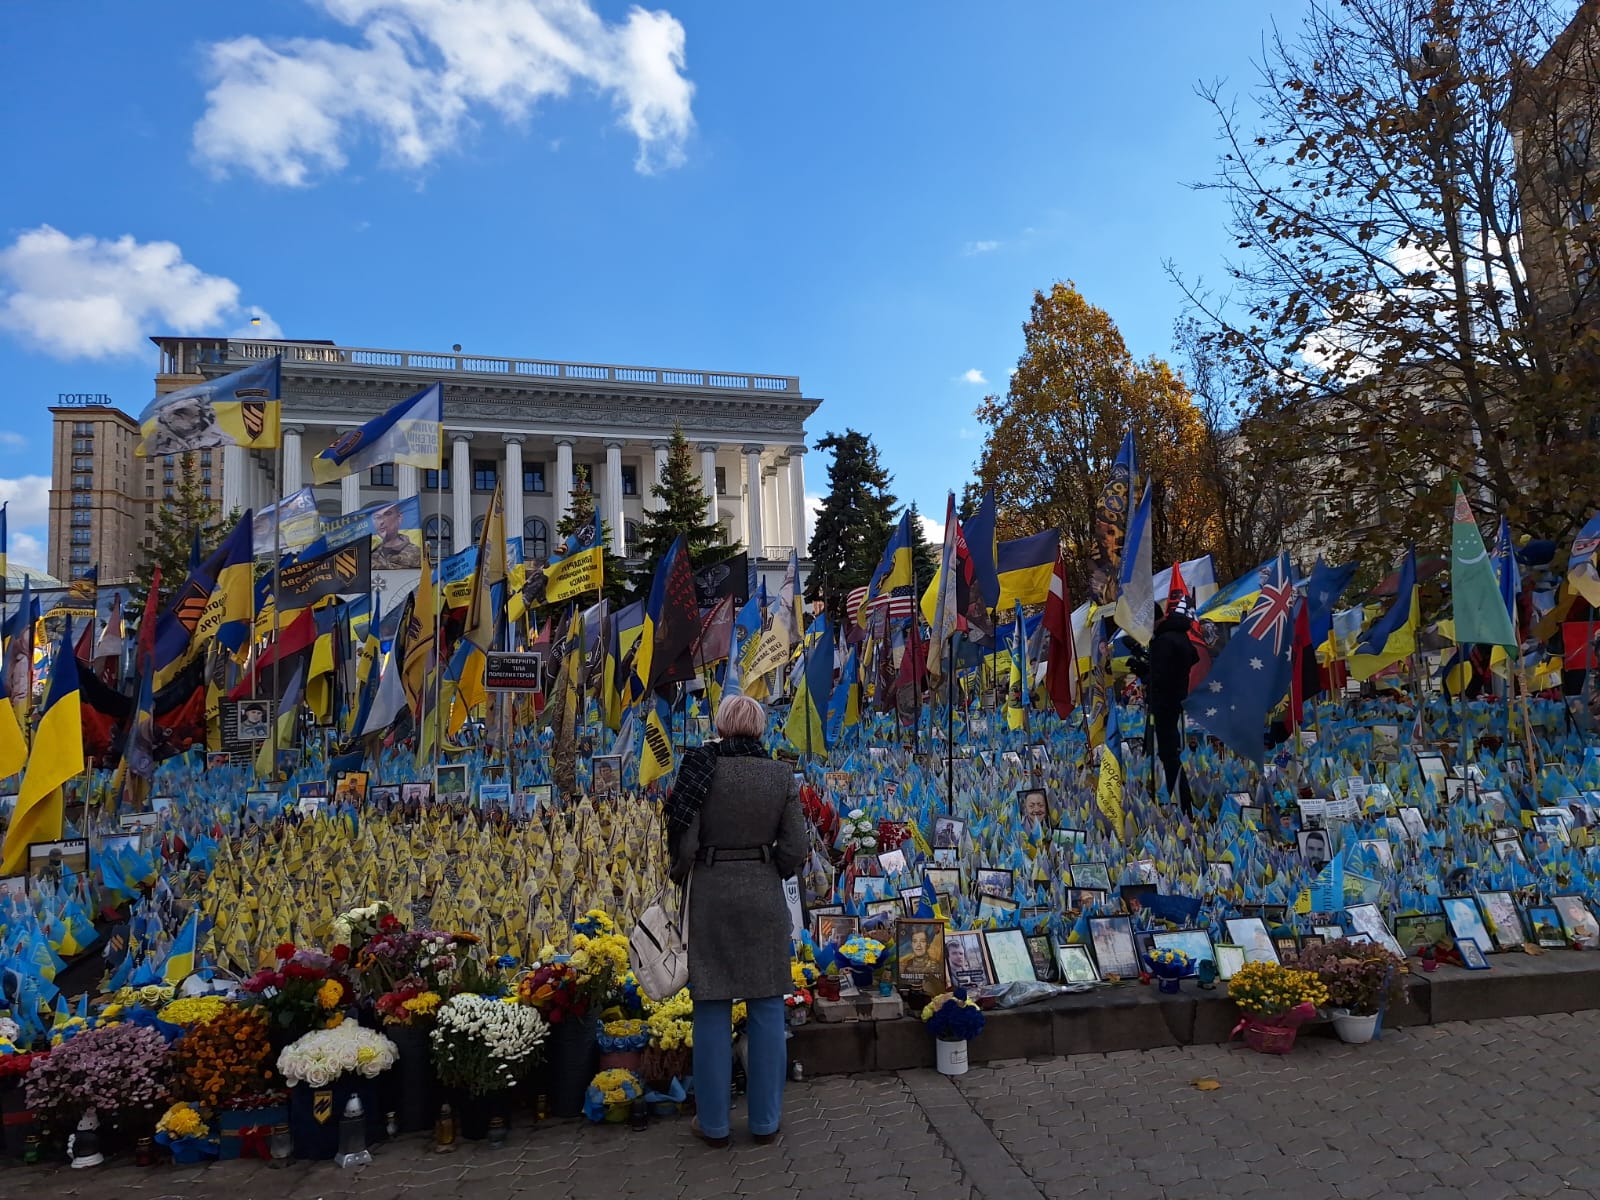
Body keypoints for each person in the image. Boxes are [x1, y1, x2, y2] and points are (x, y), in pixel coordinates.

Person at [666, 695, 805, 1149]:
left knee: (711, 1006)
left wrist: (682, 874)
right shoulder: (779, 775)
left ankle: (714, 1125)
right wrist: (768, 868)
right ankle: (765, 1122)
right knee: (767, 1006)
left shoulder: (700, 770)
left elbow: (685, 845)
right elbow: (796, 847)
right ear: (760, 729)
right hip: (763, 894)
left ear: (722, 727)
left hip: (711, 894)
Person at [1147, 598, 1199, 816]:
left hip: (1165, 703)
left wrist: (1145, 671)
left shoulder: (1164, 641)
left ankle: (1181, 804)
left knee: (1169, 756)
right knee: (1170, 754)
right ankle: (1180, 800)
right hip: (1174, 701)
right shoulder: (1177, 635)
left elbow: (1160, 677)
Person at [371, 504, 422, 570]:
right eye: (377, 517)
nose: (381, 522)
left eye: (387, 514)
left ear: (399, 517)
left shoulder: (417, 552)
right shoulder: (370, 552)